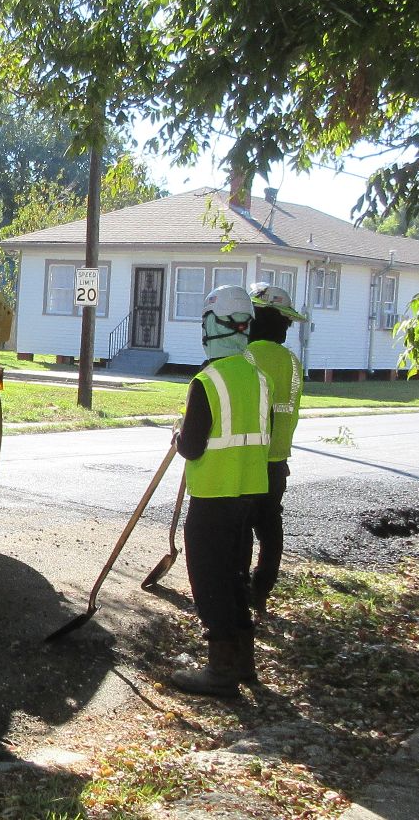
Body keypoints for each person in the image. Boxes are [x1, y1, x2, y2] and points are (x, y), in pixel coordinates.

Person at [169, 285, 272, 696]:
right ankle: (244, 661)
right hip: (248, 496)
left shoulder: (207, 381)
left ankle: (221, 669)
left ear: (212, 325)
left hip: (213, 497)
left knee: (210, 581)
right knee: (235, 577)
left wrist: (179, 437)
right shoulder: (257, 377)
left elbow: (193, 446)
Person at [243, 282, 307, 620]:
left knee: (239, 531)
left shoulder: (244, 357)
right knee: (270, 530)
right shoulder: (293, 362)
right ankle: (261, 591)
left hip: (245, 460)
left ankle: (237, 592)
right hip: (277, 461)